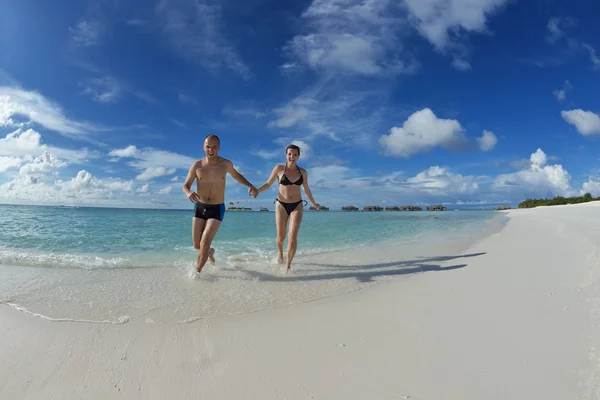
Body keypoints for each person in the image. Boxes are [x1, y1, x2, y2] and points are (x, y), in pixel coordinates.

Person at [183, 134, 258, 273]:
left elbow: (237, 176)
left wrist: (250, 186)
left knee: (204, 243)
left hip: (217, 208)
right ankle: (210, 252)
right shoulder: (197, 166)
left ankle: (197, 273)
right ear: (203, 147)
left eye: (214, 147)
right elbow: (185, 185)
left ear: (219, 147)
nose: (210, 150)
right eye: (207, 147)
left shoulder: (225, 164)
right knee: (197, 245)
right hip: (199, 206)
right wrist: (188, 193)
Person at [254, 144, 321, 271]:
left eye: (295, 154)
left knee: (293, 237)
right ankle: (280, 252)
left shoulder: (303, 172)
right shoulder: (279, 168)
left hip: (297, 205)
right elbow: (268, 184)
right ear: (286, 155)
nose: (292, 157)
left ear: (299, 156)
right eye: (289, 154)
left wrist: (314, 203)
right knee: (281, 237)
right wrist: (257, 191)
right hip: (281, 205)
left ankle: (288, 265)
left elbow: (306, 189)